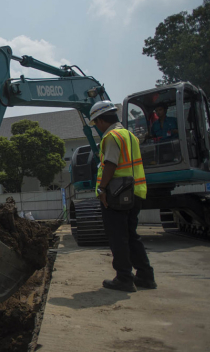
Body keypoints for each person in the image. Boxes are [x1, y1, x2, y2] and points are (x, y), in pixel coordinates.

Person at [89, 101, 156, 292]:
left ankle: (124, 278)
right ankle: (145, 276)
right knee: (131, 235)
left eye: (96, 123)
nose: (97, 128)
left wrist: (102, 189)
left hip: (117, 194)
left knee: (118, 237)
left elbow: (110, 164)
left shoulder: (111, 137)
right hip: (135, 192)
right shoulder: (130, 135)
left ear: (101, 120)